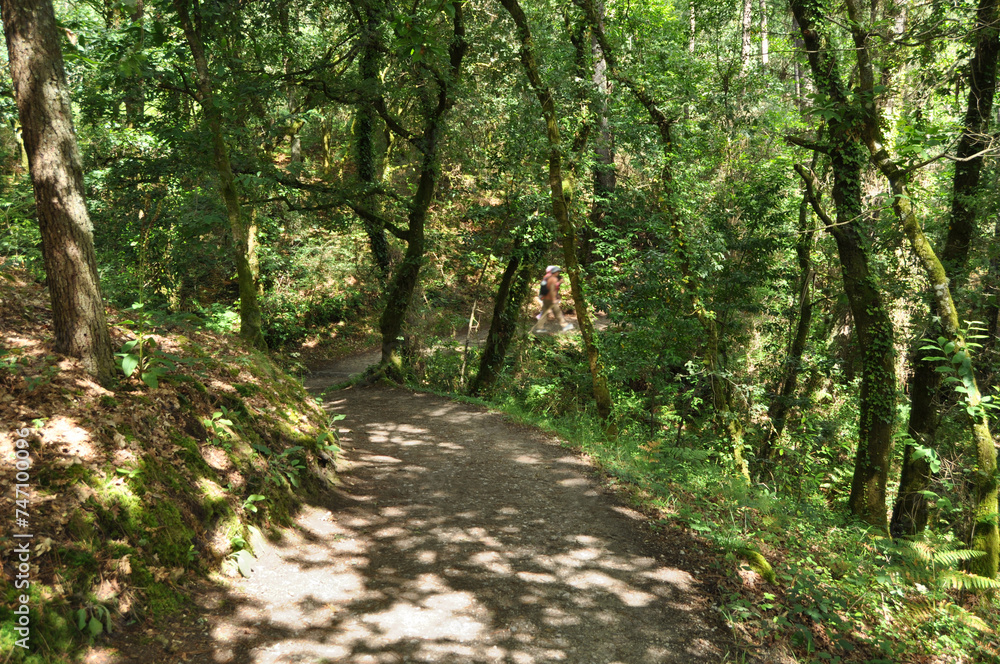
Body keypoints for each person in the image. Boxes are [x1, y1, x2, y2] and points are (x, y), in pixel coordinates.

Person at [531, 265, 574, 334]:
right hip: (550, 299)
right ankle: (565, 325)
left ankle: (539, 327)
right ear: (555, 272)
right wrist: (554, 299)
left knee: (544, 313)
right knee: (557, 312)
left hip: (546, 298)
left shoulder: (547, 277)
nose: (558, 273)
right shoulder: (553, 279)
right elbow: (552, 289)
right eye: (558, 272)